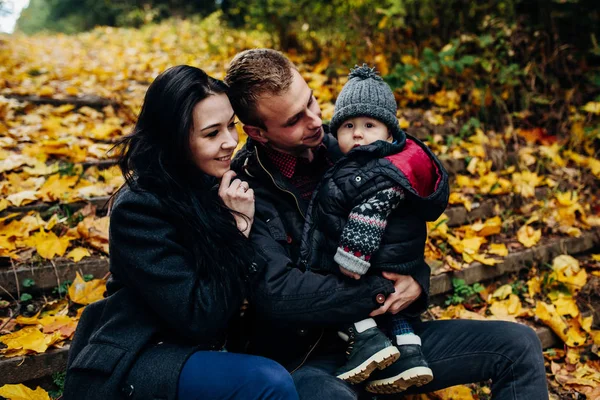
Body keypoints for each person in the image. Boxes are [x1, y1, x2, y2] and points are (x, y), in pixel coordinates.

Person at [226, 49, 549, 400]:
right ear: (257, 132)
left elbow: (402, 229)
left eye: (312, 101)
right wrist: (378, 290)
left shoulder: (352, 147)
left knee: (518, 345)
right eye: (294, 120)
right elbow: (279, 293)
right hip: (311, 358)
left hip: (395, 342)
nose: (316, 120)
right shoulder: (244, 191)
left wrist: (415, 280)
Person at [62, 65, 298, 400]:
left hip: (209, 349)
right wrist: (239, 229)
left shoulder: (219, 184)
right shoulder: (140, 209)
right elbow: (200, 316)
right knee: (266, 381)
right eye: (211, 133)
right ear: (174, 140)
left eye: (231, 125)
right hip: (142, 353)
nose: (230, 142)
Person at [297, 64, 449, 393]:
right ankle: (409, 350)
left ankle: (367, 339)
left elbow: (372, 212)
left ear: (390, 134)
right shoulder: (371, 162)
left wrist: (352, 255)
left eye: (369, 125)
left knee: (340, 279)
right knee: (390, 305)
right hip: (393, 264)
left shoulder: (379, 168)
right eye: (348, 125)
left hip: (368, 260)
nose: (357, 134)